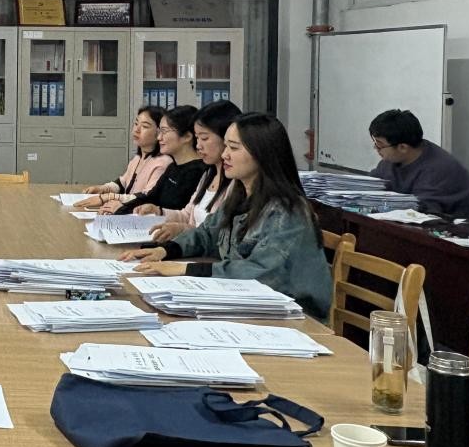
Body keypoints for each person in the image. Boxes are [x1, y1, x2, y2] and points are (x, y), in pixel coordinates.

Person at [121, 113, 333, 319]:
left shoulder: (286, 211)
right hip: (248, 305)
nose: (224, 155)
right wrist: (165, 250)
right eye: (225, 146)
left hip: (295, 316)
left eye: (234, 148)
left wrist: (185, 268)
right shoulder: (240, 195)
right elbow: (207, 234)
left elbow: (260, 272)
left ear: (262, 153)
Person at [369, 109, 469, 229]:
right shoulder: (392, 160)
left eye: (380, 145)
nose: (376, 148)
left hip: (463, 234)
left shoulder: (439, 168)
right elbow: (372, 187)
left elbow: (423, 211)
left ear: (403, 147)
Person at [142, 100, 243, 242]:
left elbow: (217, 237)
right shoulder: (208, 174)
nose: (198, 145)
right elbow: (187, 215)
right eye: (197, 138)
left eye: (204, 138)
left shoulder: (236, 184)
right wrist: (159, 211)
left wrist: (182, 229)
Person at [110, 105, 206, 215]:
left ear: (187, 137)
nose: (159, 137)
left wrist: (121, 207)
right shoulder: (173, 167)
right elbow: (151, 197)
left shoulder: (200, 172)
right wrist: (122, 208)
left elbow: (184, 216)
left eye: (164, 131)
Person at [75, 105, 170, 213]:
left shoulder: (163, 163)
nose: (137, 130)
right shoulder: (137, 158)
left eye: (144, 126)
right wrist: (102, 189)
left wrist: (107, 197)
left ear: (159, 132)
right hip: (127, 212)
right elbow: (122, 183)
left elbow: (145, 197)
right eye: (136, 124)